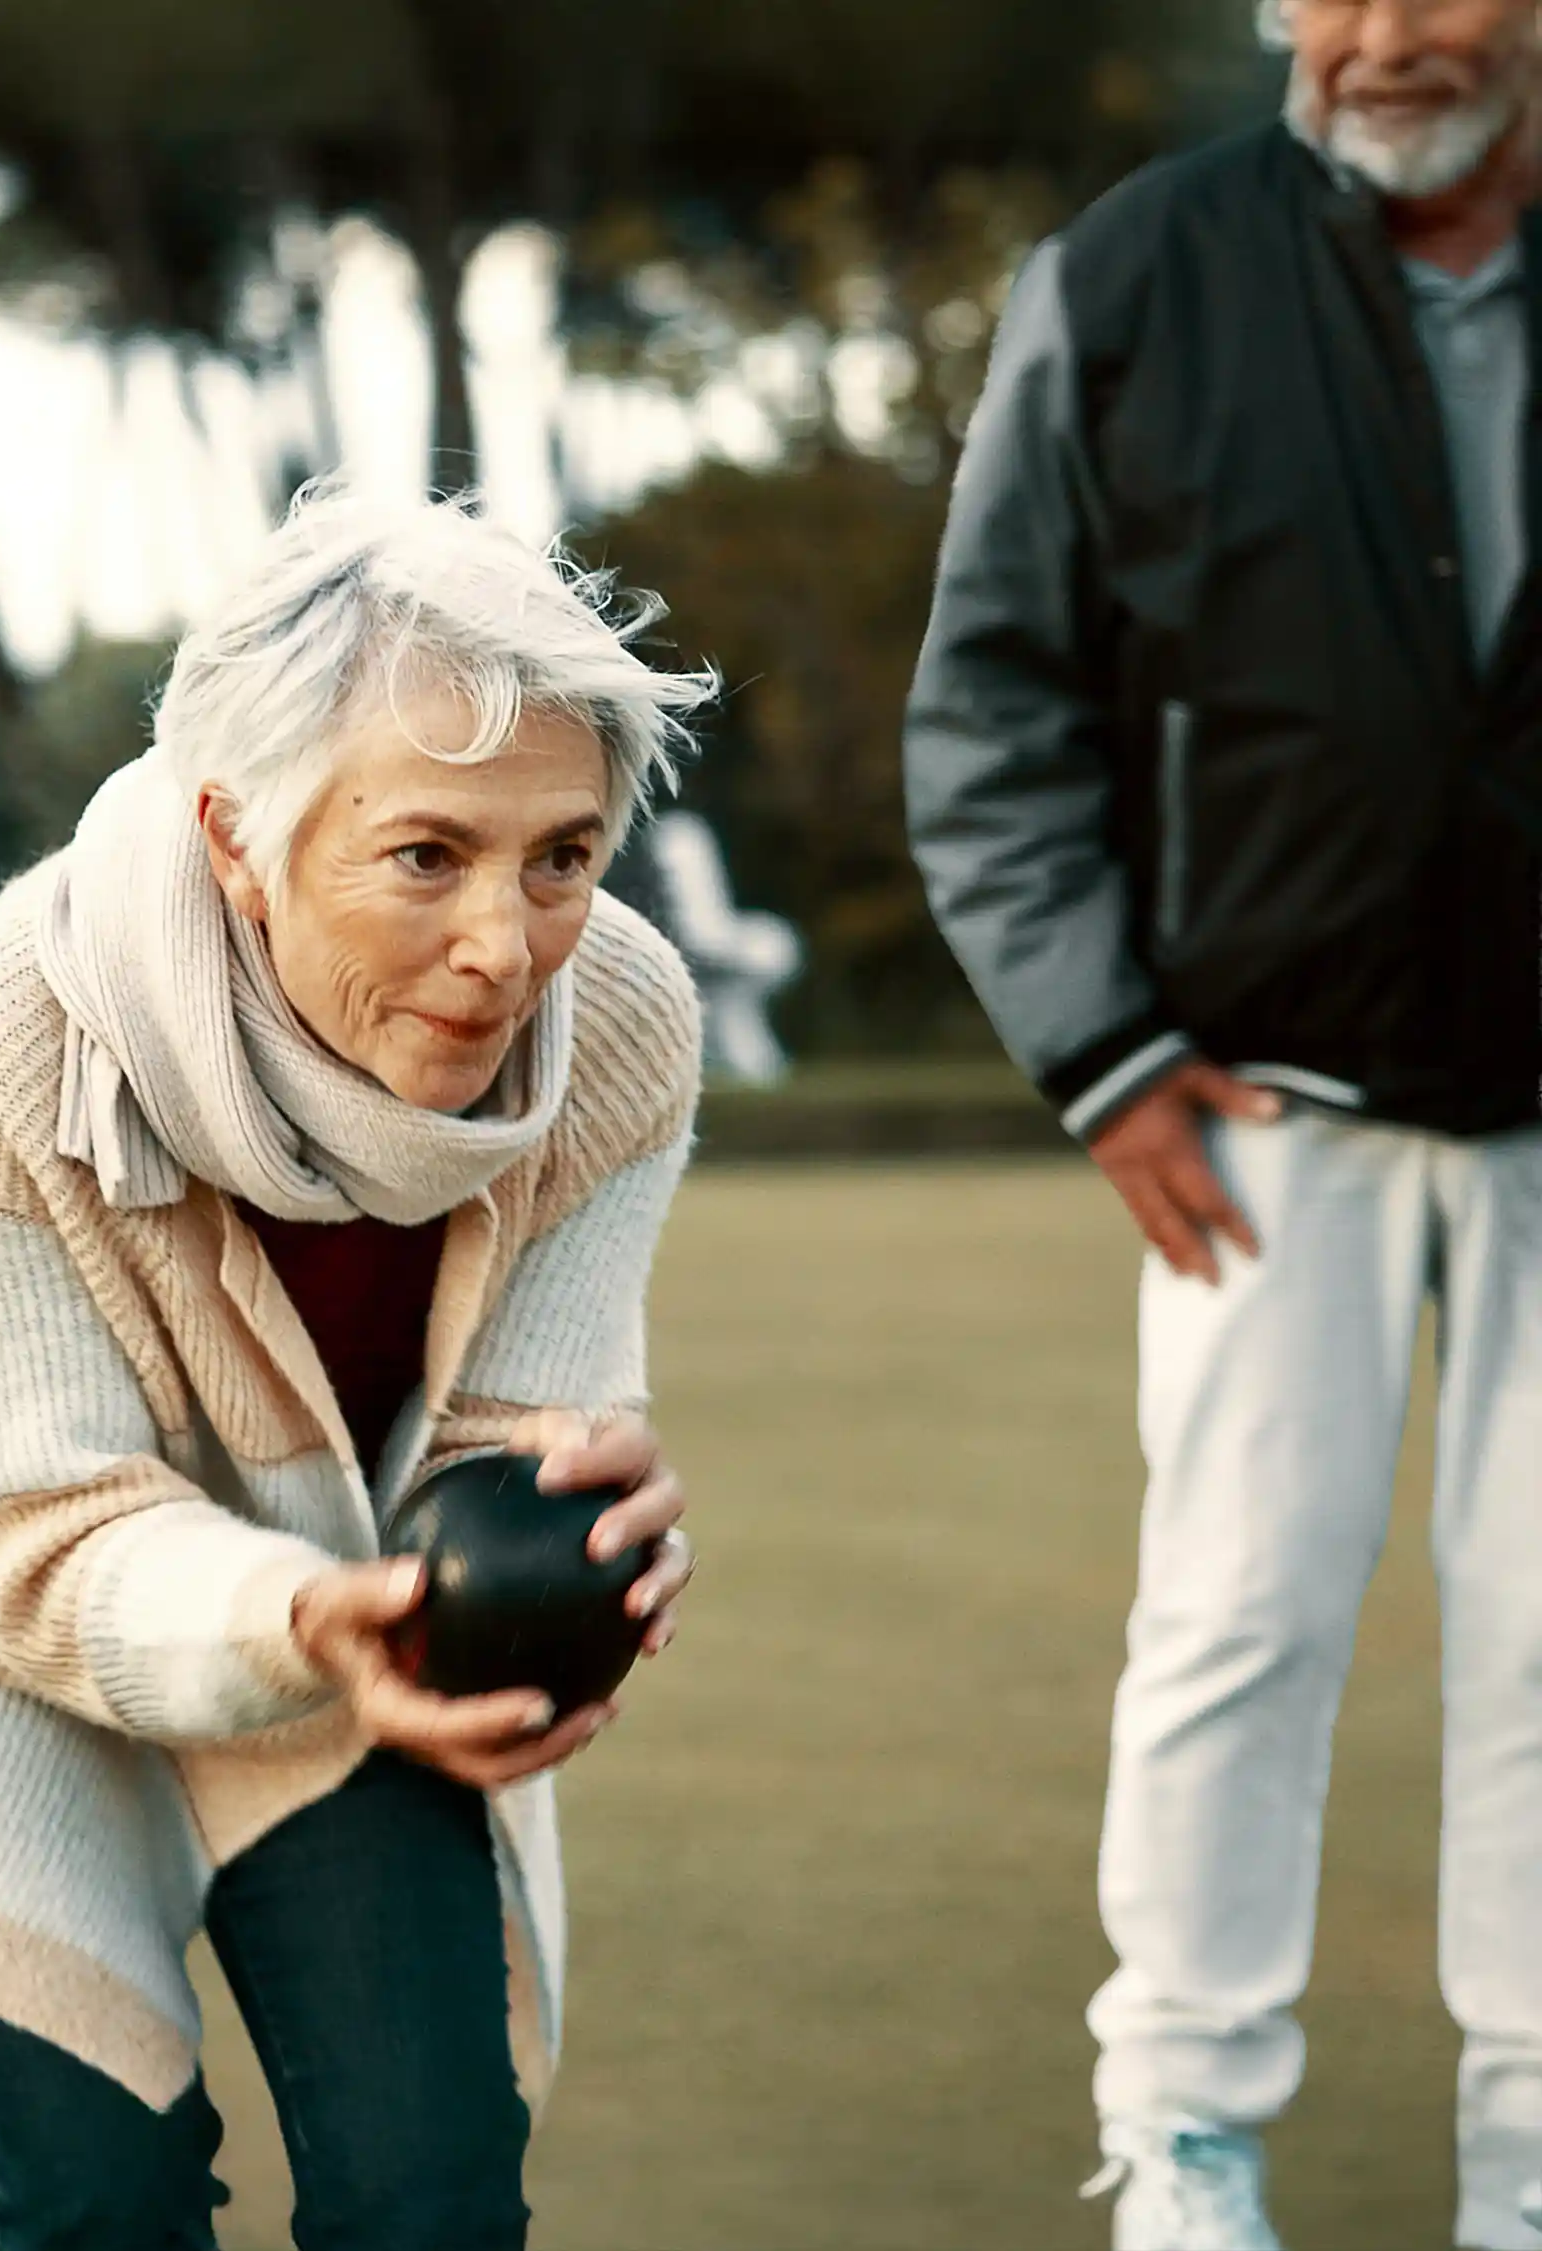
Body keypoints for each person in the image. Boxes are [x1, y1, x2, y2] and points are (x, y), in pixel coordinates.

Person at [0, 485, 713, 2251]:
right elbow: (49, 1548)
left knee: (427, 2191)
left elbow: (511, 1444)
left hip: (351, 1583)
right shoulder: (11, 1030)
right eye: (426, 854)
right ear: (238, 836)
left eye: (559, 855)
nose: (505, 945)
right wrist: (308, 1616)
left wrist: (592, 1536)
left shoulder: (621, 1021)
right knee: (104, 2190)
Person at [905, 2, 1542, 2243]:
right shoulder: (1133, 273)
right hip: (1261, 1100)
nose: (1375, 32)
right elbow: (989, 700)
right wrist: (1091, 1048)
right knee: (1235, 1620)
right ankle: (1179, 2136)